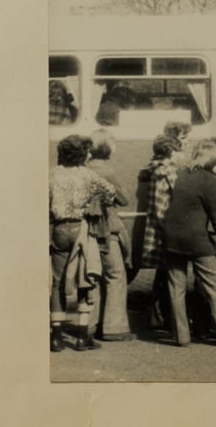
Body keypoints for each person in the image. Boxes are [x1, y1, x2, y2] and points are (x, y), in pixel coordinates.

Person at [161, 140, 216, 347]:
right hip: (197, 239)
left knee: (176, 288)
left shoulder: (181, 173)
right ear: (211, 160)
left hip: (171, 237)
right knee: (215, 285)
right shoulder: (209, 180)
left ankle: (180, 337)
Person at [49, 135, 116, 352]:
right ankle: (82, 336)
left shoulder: (53, 173)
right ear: (81, 154)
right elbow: (110, 192)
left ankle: (56, 337)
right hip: (81, 229)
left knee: (58, 283)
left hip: (59, 229)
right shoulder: (87, 174)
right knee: (85, 279)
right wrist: (92, 201)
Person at [86, 129, 135, 342]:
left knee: (94, 276)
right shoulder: (106, 171)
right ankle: (114, 327)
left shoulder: (85, 168)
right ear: (108, 148)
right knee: (116, 274)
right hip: (107, 228)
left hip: (88, 228)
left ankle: (92, 324)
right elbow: (124, 199)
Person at [137, 134, 183, 331]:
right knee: (171, 274)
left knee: (164, 274)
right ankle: (165, 317)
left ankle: (159, 316)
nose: (181, 155)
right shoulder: (165, 171)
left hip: (159, 228)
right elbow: (162, 205)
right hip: (166, 228)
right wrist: (171, 229)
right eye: (179, 151)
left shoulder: (154, 168)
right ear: (171, 152)